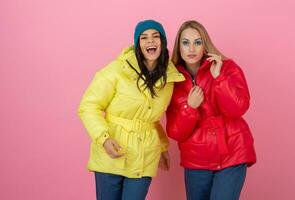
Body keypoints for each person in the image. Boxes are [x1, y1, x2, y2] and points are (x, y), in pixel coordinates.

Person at [78, 19, 184, 200]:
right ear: (137, 44)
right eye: (144, 38)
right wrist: (103, 138)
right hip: (112, 151)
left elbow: (152, 118)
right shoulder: (116, 71)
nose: (150, 41)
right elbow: (89, 106)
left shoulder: (170, 79)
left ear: (163, 42)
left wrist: (163, 147)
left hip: (145, 154)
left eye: (155, 36)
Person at [166, 20, 256, 200]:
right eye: (186, 42)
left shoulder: (227, 67)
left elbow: (238, 109)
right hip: (196, 160)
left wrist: (219, 78)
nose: (191, 48)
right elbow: (175, 132)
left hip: (232, 152)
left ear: (204, 44)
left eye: (197, 42)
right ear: (179, 47)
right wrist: (189, 107)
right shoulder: (172, 80)